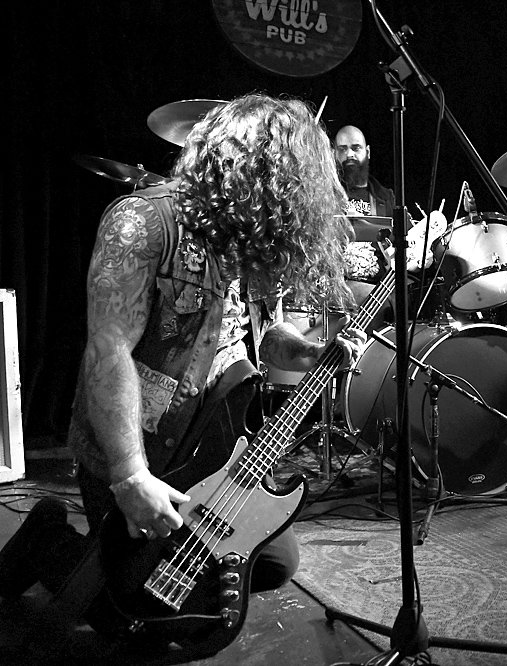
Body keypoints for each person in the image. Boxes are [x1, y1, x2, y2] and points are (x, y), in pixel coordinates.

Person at [0, 94, 366, 638]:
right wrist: (130, 476)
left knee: (271, 562)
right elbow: (108, 349)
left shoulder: (250, 241)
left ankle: (108, 567)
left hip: (212, 446)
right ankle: (46, 539)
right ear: (261, 176)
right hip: (141, 445)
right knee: (132, 620)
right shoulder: (144, 221)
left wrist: (309, 353)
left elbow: (262, 339)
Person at [334, 125, 397, 321]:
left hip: (378, 293)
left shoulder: (385, 197)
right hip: (335, 292)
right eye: (342, 149)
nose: (349, 154)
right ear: (333, 153)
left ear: (367, 151)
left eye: (356, 148)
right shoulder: (324, 195)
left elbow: (399, 246)